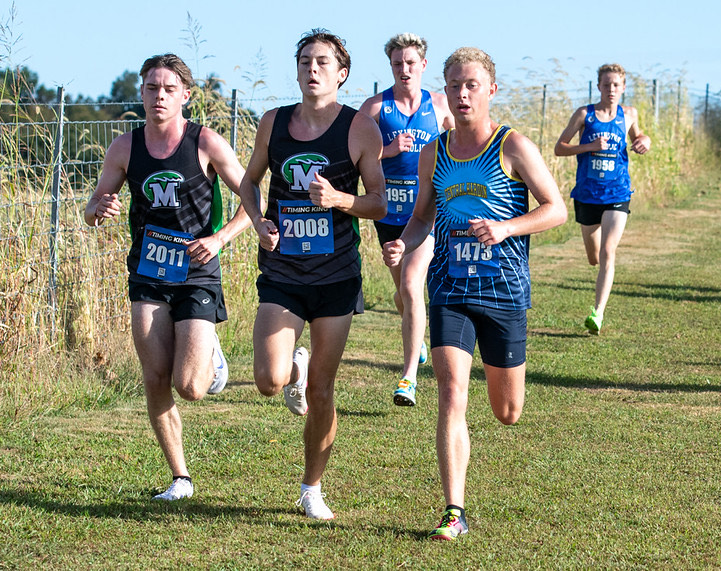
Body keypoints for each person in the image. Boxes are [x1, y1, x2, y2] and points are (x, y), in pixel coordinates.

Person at [383, 47, 566, 540]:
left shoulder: (513, 147)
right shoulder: (434, 153)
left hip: (505, 291)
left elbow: (555, 209)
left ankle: (462, 493)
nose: (462, 94)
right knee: (450, 392)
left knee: (507, 412)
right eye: (454, 86)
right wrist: (405, 240)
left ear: (491, 90)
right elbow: (422, 216)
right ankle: (453, 510)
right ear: (444, 91)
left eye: (472, 85)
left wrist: (507, 228)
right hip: (450, 288)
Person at [84, 53, 252, 501]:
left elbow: (253, 200)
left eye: (169, 89)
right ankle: (180, 477)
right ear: (141, 93)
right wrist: (98, 208)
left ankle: (211, 358)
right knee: (154, 375)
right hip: (148, 272)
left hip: (197, 271)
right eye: (151, 88)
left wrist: (218, 239)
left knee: (191, 386)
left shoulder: (206, 142)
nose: (159, 96)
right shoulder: (124, 147)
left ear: (185, 96)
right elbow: (93, 205)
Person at [239, 29, 386, 520]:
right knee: (267, 380)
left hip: (337, 274)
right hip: (283, 269)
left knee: (322, 390)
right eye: (305, 61)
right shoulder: (273, 123)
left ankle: (311, 488)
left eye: (323, 61)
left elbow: (380, 202)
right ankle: (291, 368)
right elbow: (249, 181)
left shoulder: (360, 128)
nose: (313, 68)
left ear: (342, 73)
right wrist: (258, 221)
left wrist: (340, 199)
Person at [359, 33, 453, 407]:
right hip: (388, 215)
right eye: (397, 64)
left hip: (424, 214)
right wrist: (387, 150)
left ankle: (408, 377)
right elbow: (357, 157)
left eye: (410, 63)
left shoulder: (440, 105)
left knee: (413, 286)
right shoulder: (375, 108)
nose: (404, 70)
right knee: (402, 293)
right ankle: (419, 339)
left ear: (423, 66)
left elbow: (456, 146)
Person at [554, 63, 651, 334]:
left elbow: (638, 136)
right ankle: (598, 276)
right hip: (587, 194)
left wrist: (645, 141)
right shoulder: (585, 114)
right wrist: (589, 146)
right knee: (594, 257)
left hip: (618, 192)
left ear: (623, 88)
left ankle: (598, 313)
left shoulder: (628, 114)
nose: (611, 89)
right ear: (598, 86)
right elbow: (559, 148)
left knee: (609, 250)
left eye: (616, 85)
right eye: (606, 84)